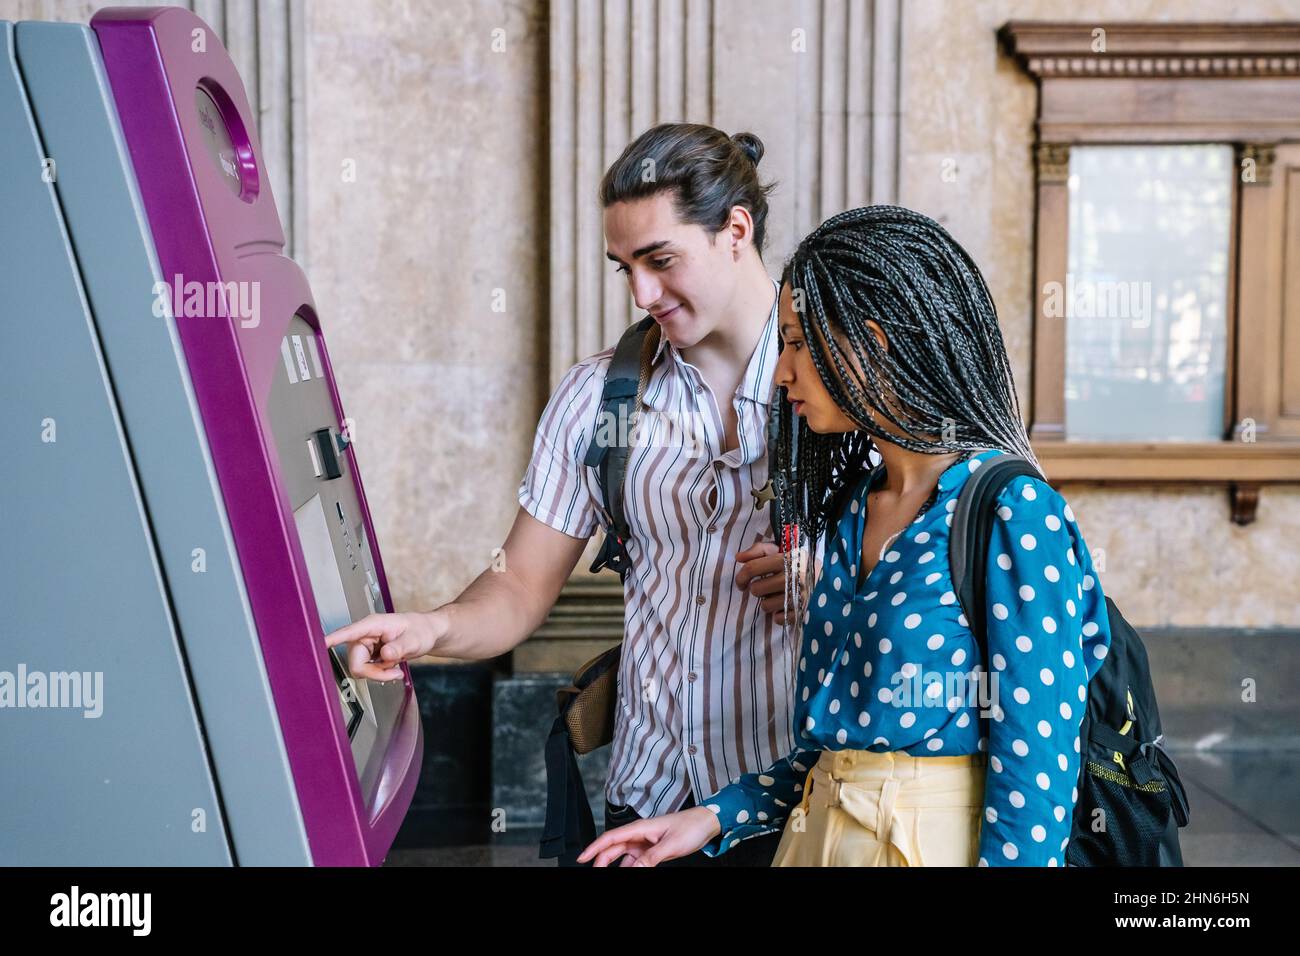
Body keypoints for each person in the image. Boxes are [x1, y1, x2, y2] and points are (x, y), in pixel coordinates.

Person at [578, 205, 1113, 867]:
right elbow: (826, 752)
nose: (781, 372)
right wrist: (711, 818)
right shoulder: (852, 511)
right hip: (817, 839)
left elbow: (1037, 766)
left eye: (798, 342)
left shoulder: (1011, 510)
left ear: (873, 341)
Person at [326, 123, 797, 866]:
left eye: (660, 260)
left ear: (735, 230)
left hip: (798, 806)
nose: (644, 293)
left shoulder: (848, 387)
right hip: (645, 804)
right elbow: (519, 585)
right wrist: (433, 630)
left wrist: (826, 580)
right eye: (625, 268)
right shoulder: (599, 397)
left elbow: (939, 569)